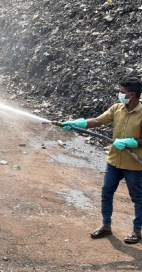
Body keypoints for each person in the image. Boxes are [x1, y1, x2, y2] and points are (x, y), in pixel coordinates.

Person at [61, 77, 142, 244]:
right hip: (114, 160)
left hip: (133, 164)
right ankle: (106, 226)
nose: (120, 94)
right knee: (106, 192)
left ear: (132, 94)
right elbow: (98, 121)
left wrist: (131, 142)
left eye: (123, 92)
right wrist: (79, 123)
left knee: (137, 198)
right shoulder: (117, 108)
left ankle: (136, 230)